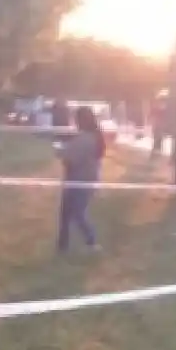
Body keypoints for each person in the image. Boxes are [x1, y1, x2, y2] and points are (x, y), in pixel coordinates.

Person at [56, 105, 105, 253]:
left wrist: (61, 151)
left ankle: (92, 242)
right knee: (67, 213)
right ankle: (62, 245)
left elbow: (70, 160)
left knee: (76, 213)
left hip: (78, 179)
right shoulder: (94, 136)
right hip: (86, 179)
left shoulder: (85, 139)